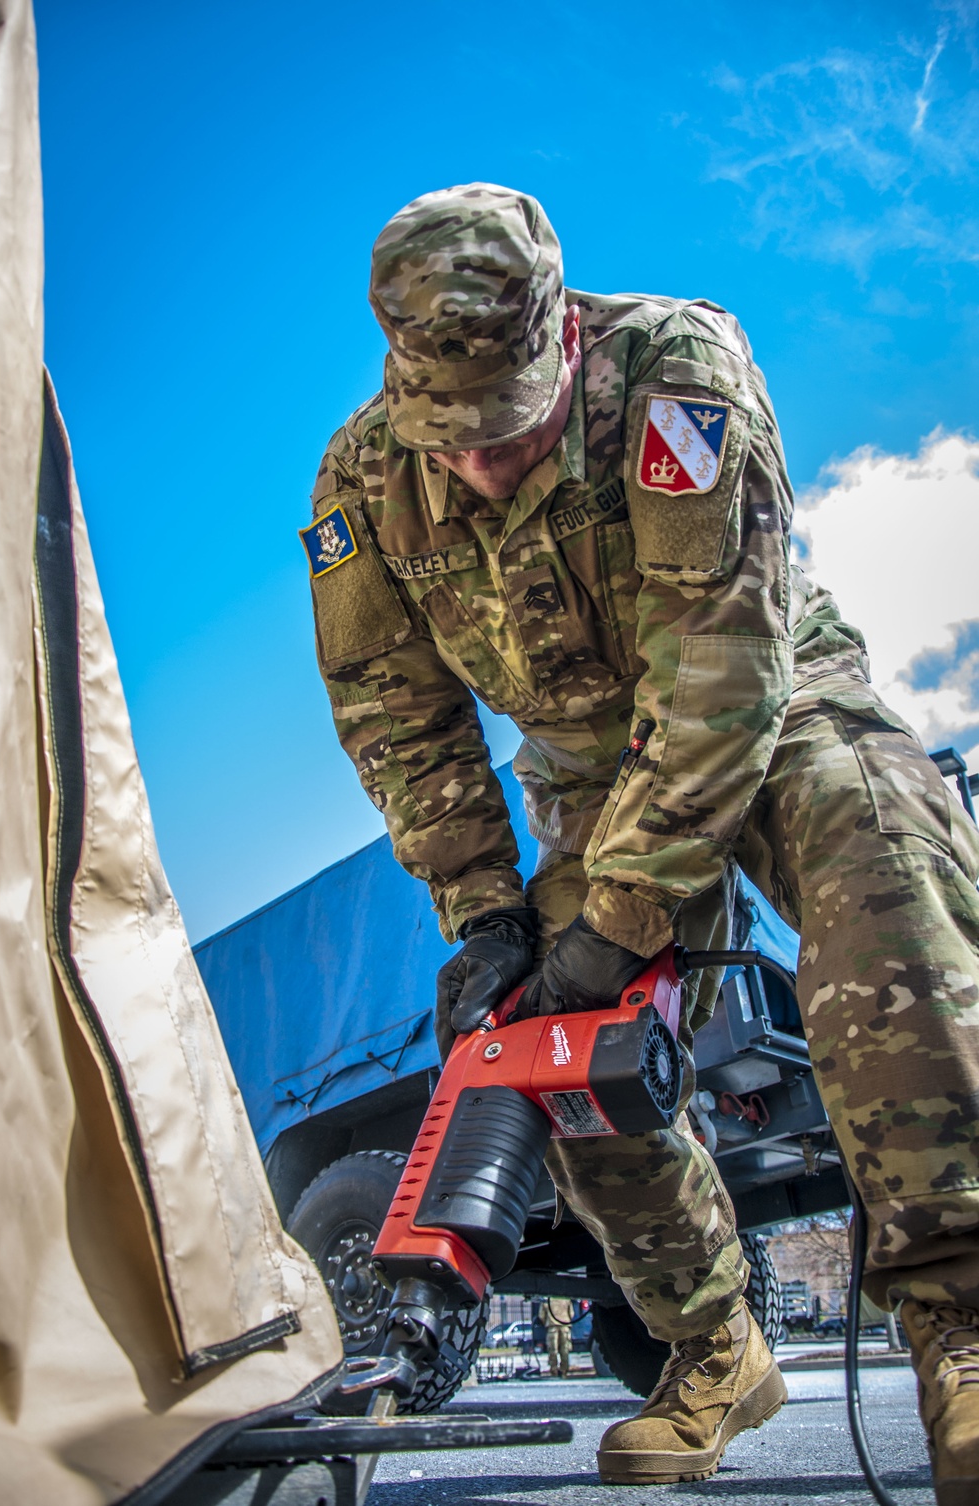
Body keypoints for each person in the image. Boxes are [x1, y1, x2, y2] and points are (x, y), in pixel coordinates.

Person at [302, 183, 979, 1501]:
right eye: (455, 438)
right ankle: (713, 1347)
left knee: (875, 840)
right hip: (584, 775)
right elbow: (398, 714)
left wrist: (625, 917)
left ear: (563, 339)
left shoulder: (677, 372)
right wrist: (488, 913)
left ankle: (964, 1314)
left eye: (509, 427)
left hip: (776, 700)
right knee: (546, 1038)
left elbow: (722, 673)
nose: (484, 464)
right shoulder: (362, 482)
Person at [539, 1298, 575, 1378]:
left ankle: (554, 1370)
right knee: (565, 1350)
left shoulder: (546, 1299)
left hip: (552, 1326)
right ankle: (564, 1371)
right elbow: (572, 1314)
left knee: (553, 1350)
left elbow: (541, 1316)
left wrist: (547, 1322)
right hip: (565, 1325)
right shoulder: (566, 1298)